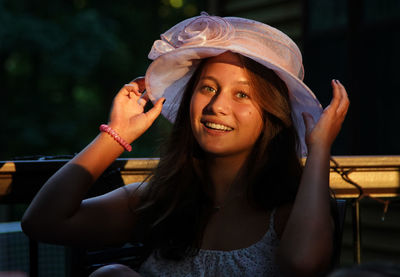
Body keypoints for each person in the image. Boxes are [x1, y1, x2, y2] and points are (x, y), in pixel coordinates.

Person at [21, 12, 349, 277]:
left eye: (242, 94)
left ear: (270, 114)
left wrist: (319, 150)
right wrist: (115, 135)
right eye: (207, 88)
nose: (217, 106)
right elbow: (42, 222)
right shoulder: (159, 200)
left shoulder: (288, 209)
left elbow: (304, 264)